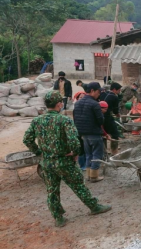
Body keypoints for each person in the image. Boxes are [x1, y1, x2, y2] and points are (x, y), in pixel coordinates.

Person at [23, 91, 111, 227]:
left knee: (52, 191)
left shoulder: (37, 121)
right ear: (59, 104)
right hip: (64, 161)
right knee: (78, 186)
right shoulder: (64, 120)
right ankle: (94, 207)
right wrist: (75, 152)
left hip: (47, 163)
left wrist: (39, 152)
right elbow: (74, 141)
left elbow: (27, 139)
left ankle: (58, 218)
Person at [73, 82, 105, 183]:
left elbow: (75, 119)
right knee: (97, 154)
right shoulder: (94, 104)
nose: (99, 94)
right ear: (92, 91)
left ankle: (88, 175)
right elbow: (100, 120)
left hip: (83, 134)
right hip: (94, 133)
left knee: (88, 154)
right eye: (98, 91)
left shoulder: (77, 103)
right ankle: (94, 176)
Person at [99, 82, 122, 156]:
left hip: (100, 116)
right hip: (108, 117)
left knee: (103, 133)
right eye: (119, 90)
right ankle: (114, 151)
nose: (119, 92)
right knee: (115, 133)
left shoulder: (104, 94)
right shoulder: (114, 97)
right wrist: (118, 115)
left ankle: (104, 151)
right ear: (114, 89)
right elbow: (116, 111)